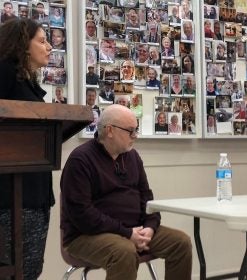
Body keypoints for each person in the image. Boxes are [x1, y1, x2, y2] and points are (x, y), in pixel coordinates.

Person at [60, 105, 192, 279]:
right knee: (123, 251)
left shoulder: (132, 157)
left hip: (134, 231)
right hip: (85, 236)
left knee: (180, 243)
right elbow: (82, 214)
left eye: (136, 130)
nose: (135, 136)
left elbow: (147, 199)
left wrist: (150, 228)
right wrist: (126, 233)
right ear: (110, 131)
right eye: (130, 131)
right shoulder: (81, 160)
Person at [0, 18, 53, 280]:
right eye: (42, 41)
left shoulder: (27, 81)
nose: (50, 47)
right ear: (22, 44)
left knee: (28, 271)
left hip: (33, 194)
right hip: (11, 196)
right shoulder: (4, 73)